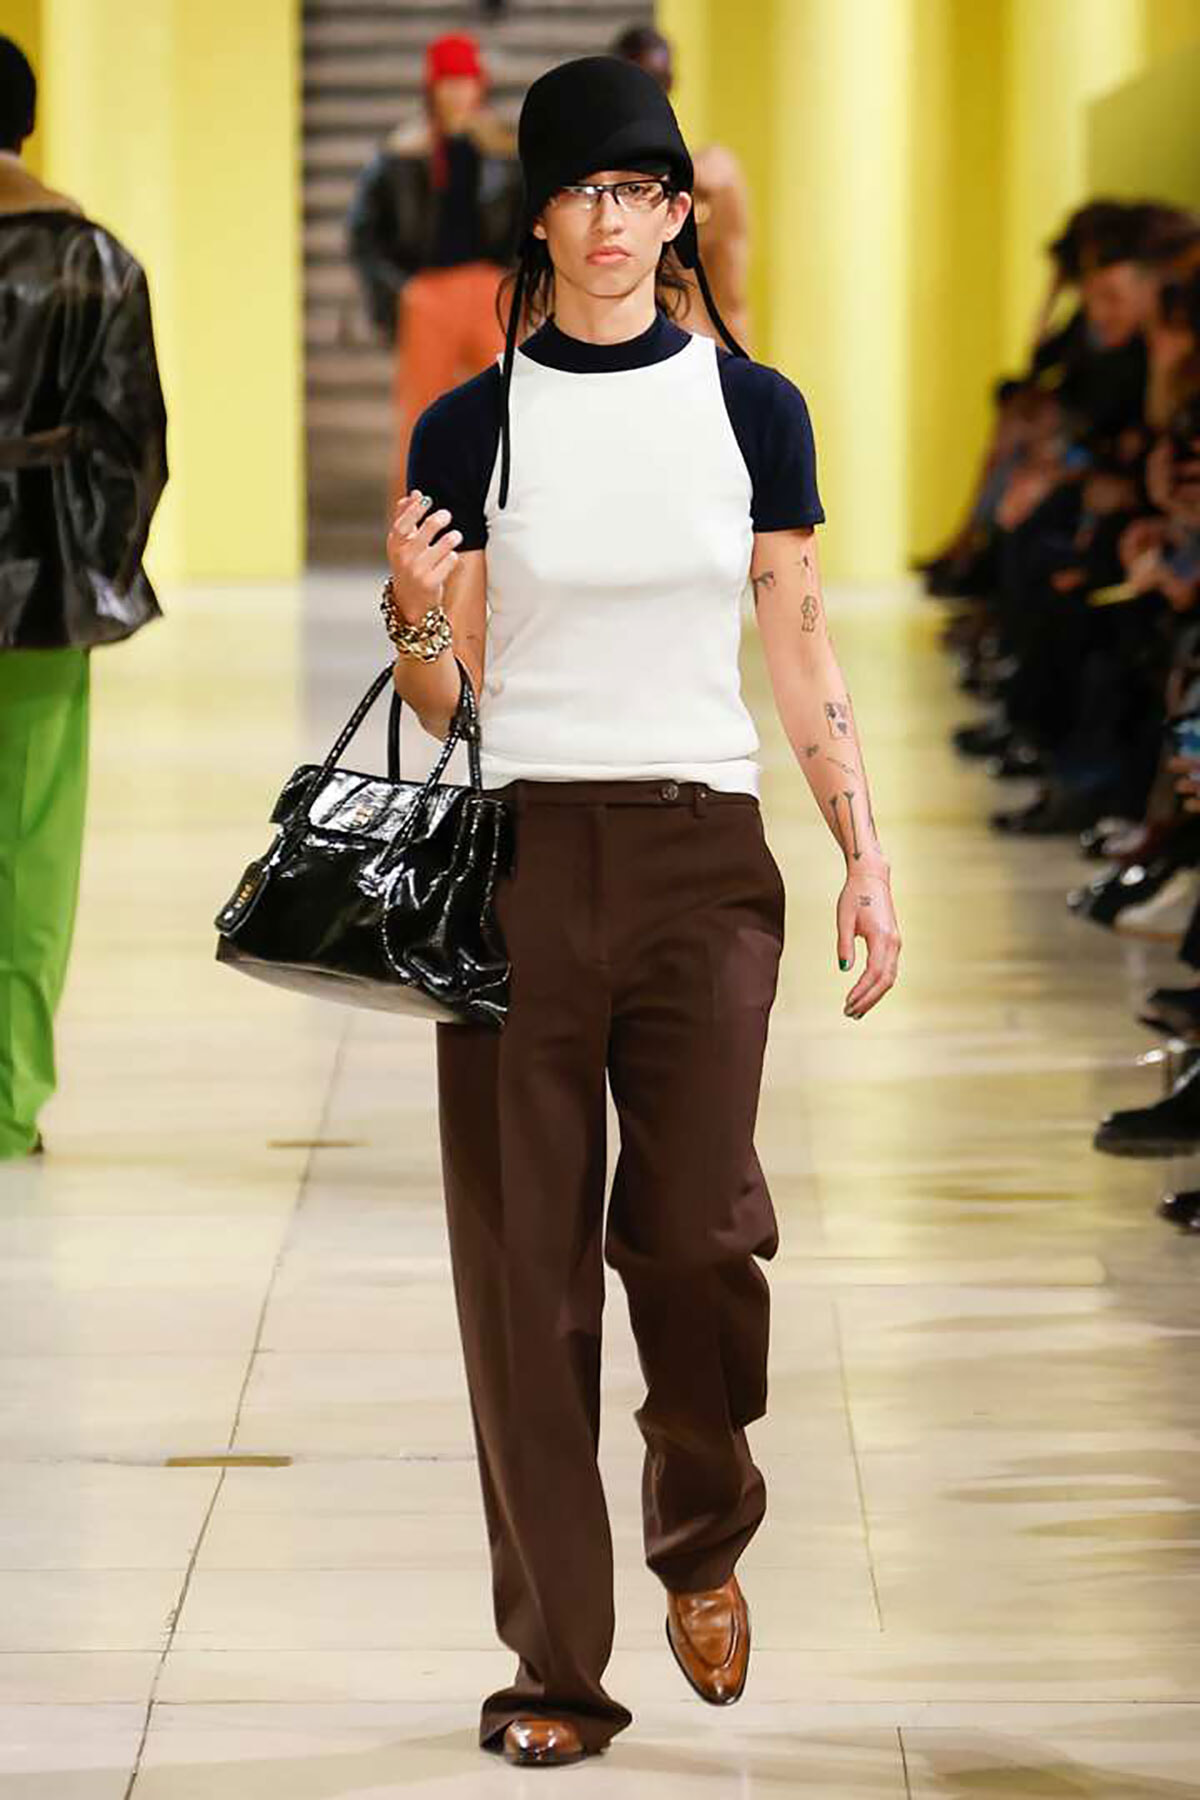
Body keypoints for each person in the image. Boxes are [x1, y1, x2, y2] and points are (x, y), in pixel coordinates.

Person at [381, 55, 901, 1769]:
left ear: (678, 213)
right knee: (523, 1286)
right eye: (583, 193)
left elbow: (800, 643)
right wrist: (414, 616)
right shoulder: (474, 426)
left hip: (700, 861)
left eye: (643, 192)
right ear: (539, 215)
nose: (613, 224)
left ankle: (707, 1518)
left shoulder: (755, 411)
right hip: (521, 866)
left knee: (696, 1233)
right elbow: (450, 710)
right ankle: (555, 1670)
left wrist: (864, 848)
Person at [0, 35, 168, 1160]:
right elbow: (134, 446)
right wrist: (93, 564)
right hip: (43, 592)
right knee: (32, 845)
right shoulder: (96, 260)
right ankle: (8, 1096)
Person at [346, 30, 522, 506]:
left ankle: (503, 530)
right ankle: (414, 544)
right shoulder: (402, 154)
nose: (459, 93)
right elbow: (364, 232)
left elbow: (531, 225)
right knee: (419, 422)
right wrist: (400, 292)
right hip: (427, 295)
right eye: (449, 81)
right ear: (432, 86)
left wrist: (519, 286)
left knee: (510, 414)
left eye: (467, 81)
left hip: (491, 292)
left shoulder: (502, 152)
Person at [613, 21, 753, 350]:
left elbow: (732, 295)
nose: (644, 94)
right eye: (635, 83)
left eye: (653, 82)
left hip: (694, 352)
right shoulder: (593, 186)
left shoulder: (714, 177)